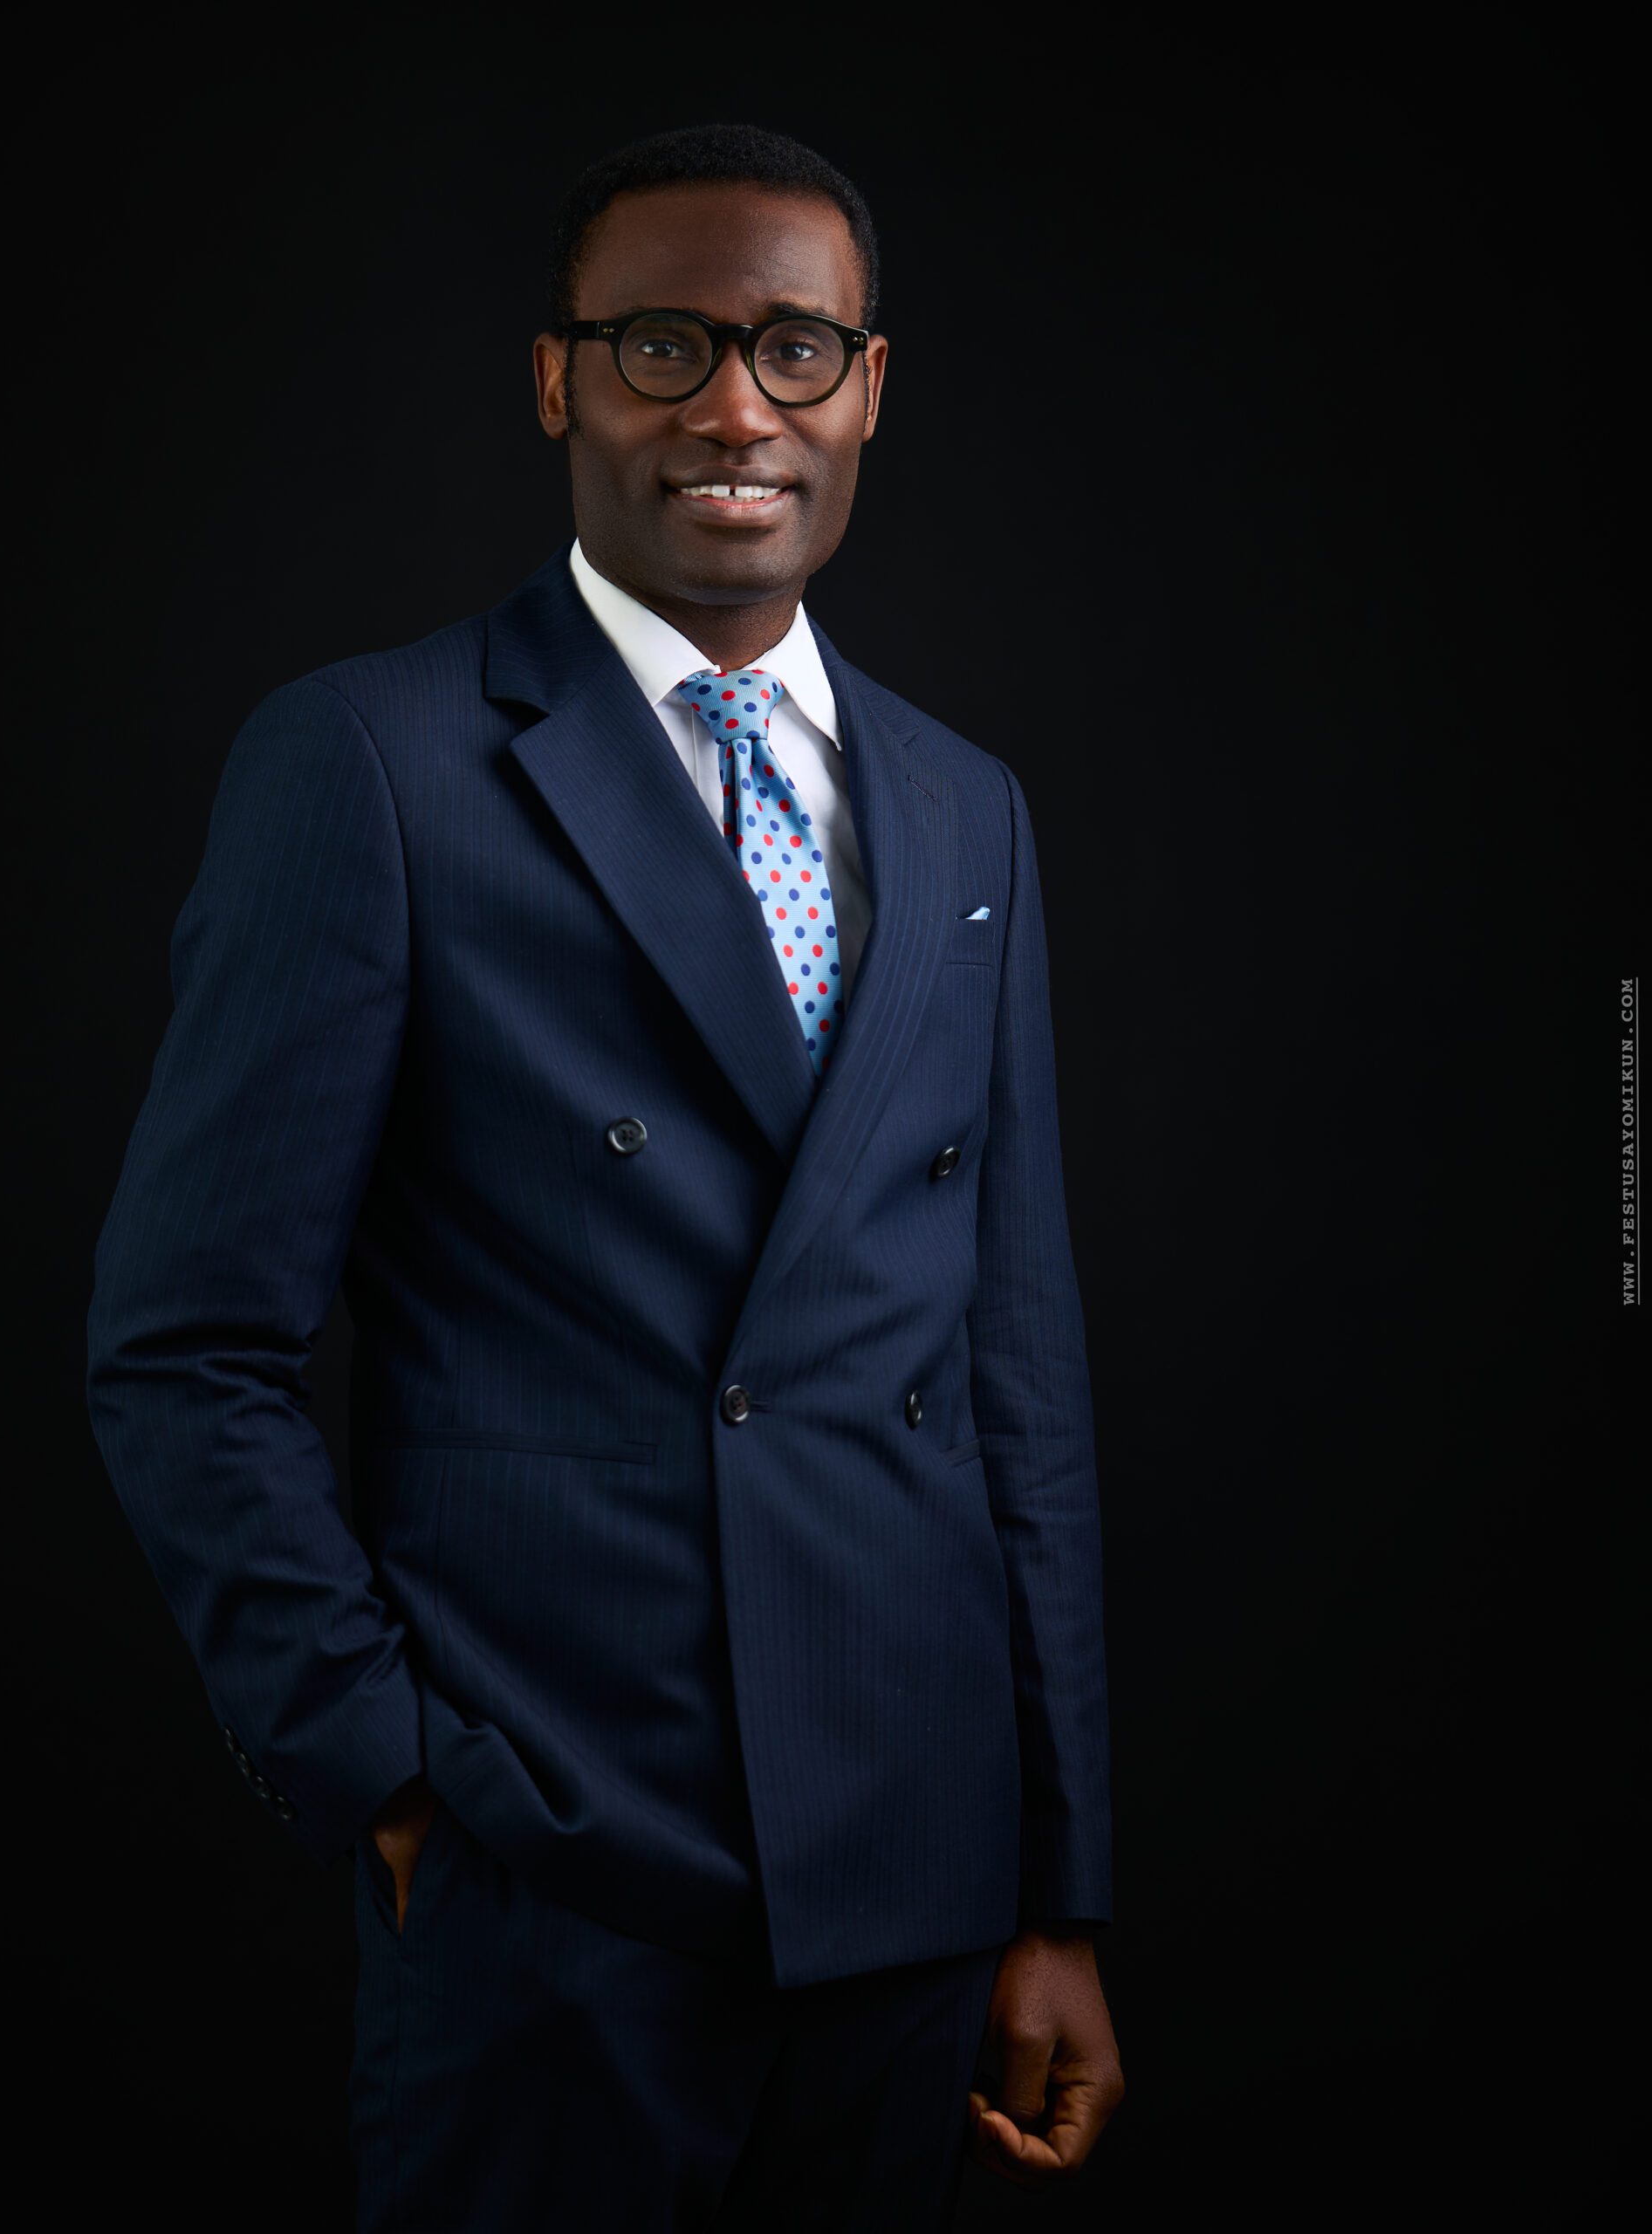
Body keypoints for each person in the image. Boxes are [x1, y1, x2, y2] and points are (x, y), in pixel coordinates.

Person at [86, 120, 1123, 2232]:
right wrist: (386, 1774)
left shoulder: (967, 809)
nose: (736, 408)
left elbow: (1013, 1374)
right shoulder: (372, 762)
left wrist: (1057, 1889)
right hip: (552, 1875)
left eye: (793, 349)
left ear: (869, 389)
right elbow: (183, 1345)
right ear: (558, 379)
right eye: (666, 345)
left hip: (918, 1891)